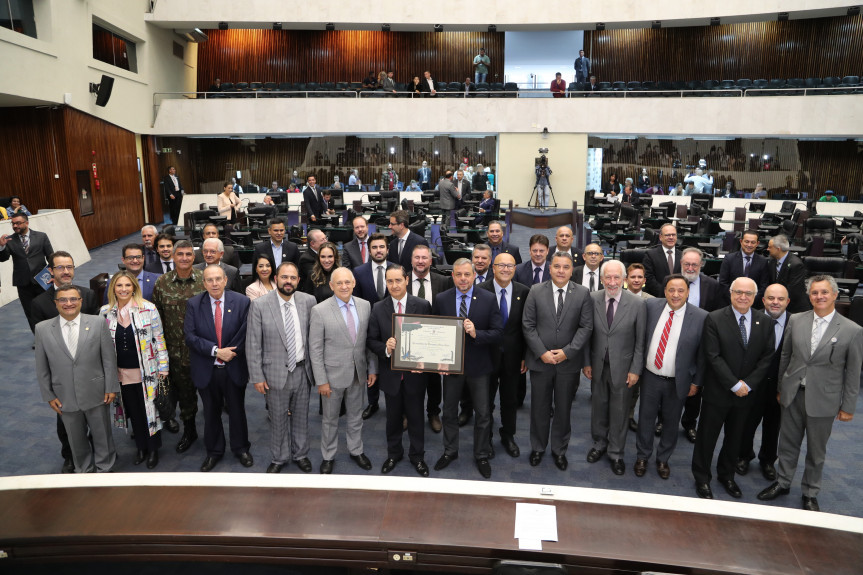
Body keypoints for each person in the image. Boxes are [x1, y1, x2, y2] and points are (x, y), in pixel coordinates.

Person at [757, 275, 863, 512]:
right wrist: (781, 389)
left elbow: (853, 372)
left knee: (816, 451)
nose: (819, 297)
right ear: (809, 296)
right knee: (787, 444)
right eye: (814, 293)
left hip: (825, 399)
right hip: (793, 394)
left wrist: (848, 406)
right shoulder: (796, 320)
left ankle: (810, 492)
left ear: (835, 295)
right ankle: (782, 482)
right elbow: (785, 356)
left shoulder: (852, 330)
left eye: (824, 292)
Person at [692, 277, 775, 500]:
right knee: (707, 437)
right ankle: (702, 477)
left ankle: (726, 476)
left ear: (755, 296)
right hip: (718, 391)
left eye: (748, 293)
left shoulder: (764, 322)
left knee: (735, 438)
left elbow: (767, 358)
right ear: (730, 293)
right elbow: (713, 356)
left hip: (747, 394)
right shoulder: (715, 318)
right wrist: (734, 383)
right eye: (738, 292)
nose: (743, 297)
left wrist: (748, 384)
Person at [432, 258, 503, 479]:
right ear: (452, 276)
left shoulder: (489, 299)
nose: (463, 279)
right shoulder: (441, 299)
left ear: (474, 276)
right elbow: (434, 331)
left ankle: (481, 454)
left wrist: (476, 333)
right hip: (450, 367)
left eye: (467, 274)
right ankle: (450, 450)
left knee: (482, 413)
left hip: (479, 367)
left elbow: (497, 333)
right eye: (458, 274)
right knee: (450, 411)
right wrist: (438, 361)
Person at [35, 284, 118, 473]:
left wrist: (111, 386)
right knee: (75, 439)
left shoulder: (97, 323)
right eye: (62, 300)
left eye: (73, 299)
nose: (68, 303)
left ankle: (106, 469)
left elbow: (108, 359)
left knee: (102, 436)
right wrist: (48, 395)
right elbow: (42, 366)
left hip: (97, 392)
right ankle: (84, 471)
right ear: (55, 303)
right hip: (64, 396)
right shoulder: (43, 329)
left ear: (81, 301)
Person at [522, 251, 593, 471]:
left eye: (566, 267)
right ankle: (538, 447)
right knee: (539, 408)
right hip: (540, 362)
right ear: (550, 268)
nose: (561, 271)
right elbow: (528, 325)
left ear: (572, 270)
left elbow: (586, 327)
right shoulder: (535, 291)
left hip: (568, 363)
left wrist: (568, 352)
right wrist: (542, 352)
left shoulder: (582, 293)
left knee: (563, 409)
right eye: (557, 267)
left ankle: (559, 450)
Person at [634, 275, 708, 480]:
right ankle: (642, 456)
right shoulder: (650, 306)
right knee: (646, 419)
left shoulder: (701, 317)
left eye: (681, 291)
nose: (675, 295)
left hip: (678, 380)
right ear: (664, 291)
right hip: (650, 376)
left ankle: (663, 459)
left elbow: (702, 355)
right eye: (671, 290)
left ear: (688, 292)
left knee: (671, 421)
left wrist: (697, 382)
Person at [246, 262, 316, 474]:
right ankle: (279, 457)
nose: (288, 281)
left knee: (302, 417)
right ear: (276, 279)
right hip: (274, 373)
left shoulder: (309, 301)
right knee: (277, 418)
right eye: (284, 277)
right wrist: (257, 376)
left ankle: (301, 454)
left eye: (293, 278)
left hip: (303, 371)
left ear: (298, 281)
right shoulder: (260, 305)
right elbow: (253, 343)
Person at [184, 265, 252, 472]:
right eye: (209, 280)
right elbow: (190, 337)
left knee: (237, 410)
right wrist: (216, 351)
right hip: (207, 368)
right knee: (211, 412)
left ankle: (241, 448)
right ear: (203, 283)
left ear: (225, 280)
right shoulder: (194, 304)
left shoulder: (242, 302)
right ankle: (214, 451)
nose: (214, 283)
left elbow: (246, 331)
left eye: (218, 279)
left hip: (234, 366)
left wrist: (231, 352)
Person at [309, 267, 377, 474]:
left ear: (354, 283)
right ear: (331, 286)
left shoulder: (365, 306)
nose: (344, 286)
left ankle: (356, 450)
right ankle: (328, 455)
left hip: (359, 373)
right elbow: (315, 348)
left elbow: (368, 342)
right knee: (330, 419)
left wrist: (372, 369)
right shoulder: (319, 310)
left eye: (348, 282)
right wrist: (321, 380)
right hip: (331, 376)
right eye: (339, 283)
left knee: (356, 416)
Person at [367, 265, 433, 476]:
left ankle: (418, 456)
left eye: (398, 280)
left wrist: (424, 362)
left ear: (406, 280)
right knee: (393, 418)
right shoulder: (378, 308)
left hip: (416, 375)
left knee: (416, 417)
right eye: (389, 281)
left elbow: (430, 336)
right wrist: (385, 348)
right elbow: (371, 340)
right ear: (386, 283)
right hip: (391, 374)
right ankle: (393, 454)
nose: (394, 285)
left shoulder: (422, 305)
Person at [583, 260, 646, 475]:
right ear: (601, 279)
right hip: (598, 366)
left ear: (624, 280)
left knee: (619, 413)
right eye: (607, 278)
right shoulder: (591, 300)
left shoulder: (637, 304)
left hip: (624, 369)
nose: (612, 282)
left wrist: (636, 369)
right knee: (598, 408)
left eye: (616, 277)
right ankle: (599, 443)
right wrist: (587, 362)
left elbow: (640, 341)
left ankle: (616, 453)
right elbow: (586, 334)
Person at [100, 271, 167, 469]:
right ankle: (141, 447)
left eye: (127, 285)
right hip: (121, 373)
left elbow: (159, 338)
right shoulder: (105, 312)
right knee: (134, 412)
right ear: (113, 288)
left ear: (134, 288)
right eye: (119, 286)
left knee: (150, 411)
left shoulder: (148, 308)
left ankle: (153, 449)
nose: (123, 289)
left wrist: (164, 367)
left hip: (147, 372)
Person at [151, 240, 205, 453]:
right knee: (185, 397)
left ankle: (213, 432)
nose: (184, 258)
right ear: (173, 257)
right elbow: (157, 319)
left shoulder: (204, 280)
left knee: (210, 395)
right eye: (180, 254)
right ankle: (189, 431)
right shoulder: (162, 282)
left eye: (188, 254)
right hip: (175, 353)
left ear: (194, 257)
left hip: (203, 351)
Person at [475, 253, 529, 458]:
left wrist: (525, 355)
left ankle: (508, 435)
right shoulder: (480, 290)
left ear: (515, 268)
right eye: (501, 265)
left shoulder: (524, 292)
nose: (506, 269)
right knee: (485, 401)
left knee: (510, 399)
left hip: (513, 359)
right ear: (493, 267)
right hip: (486, 356)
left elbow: (526, 328)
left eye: (510, 266)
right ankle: (485, 438)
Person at [737, 284, 789, 481]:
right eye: (771, 298)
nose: (775, 302)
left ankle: (767, 460)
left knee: (773, 425)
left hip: (779, 386)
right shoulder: (751, 318)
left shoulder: (796, 322)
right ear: (763, 300)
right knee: (747, 422)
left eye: (780, 299)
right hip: (753, 384)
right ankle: (743, 456)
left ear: (787, 302)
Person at [406, 244, 453, 432]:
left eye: (424, 258)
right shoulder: (403, 280)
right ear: (411, 260)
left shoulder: (443, 281)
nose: (420, 261)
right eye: (417, 257)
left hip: (435, 343)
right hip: (410, 340)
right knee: (411, 383)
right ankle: (408, 414)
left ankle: (433, 412)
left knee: (434, 382)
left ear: (430, 261)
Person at [0, 212, 54, 333]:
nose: (15, 226)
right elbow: (3, 258)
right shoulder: (9, 240)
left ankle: (54, 333)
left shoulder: (41, 236)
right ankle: (39, 337)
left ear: (27, 223)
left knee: (48, 308)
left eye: (18, 223)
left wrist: (53, 274)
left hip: (43, 281)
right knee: (30, 312)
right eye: (13, 223)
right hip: (23, 283)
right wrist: (2, 247)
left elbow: (51, 257)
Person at [719, 230, 770, 305]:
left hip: (753, 305)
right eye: (746, 241)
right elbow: (723, 283)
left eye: (753, 242)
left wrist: (750, 301)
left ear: (757, 244)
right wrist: (735, 300)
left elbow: (763, 286)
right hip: (731, 303)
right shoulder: (729, 259)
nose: (749, 245)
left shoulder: (763, 262)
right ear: (741, 241)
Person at [767, 234, 809, 313]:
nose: (767, 249)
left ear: (778, 249)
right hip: (777, 305)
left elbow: (793, 292)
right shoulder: (772, 261)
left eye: (770, 247)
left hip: (793, 308)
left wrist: (777, 301)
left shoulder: (796, 264)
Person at [352, 233, 393, 307]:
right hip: (368, 317)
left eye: (382, 247)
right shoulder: (359, 272)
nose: (378, 250)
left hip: (391, 316)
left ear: (387, 250)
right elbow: (356, 300)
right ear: (369, 251)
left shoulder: (397, 270)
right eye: (374, 247)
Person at [643, 224, 681, 297]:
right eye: (667, 235)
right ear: (660, 237)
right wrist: (665, 293)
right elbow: (649, 278)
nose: (671, 237)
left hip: (678, 297)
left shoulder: (683, 256)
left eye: (673, 235)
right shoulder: (650, 255)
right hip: (657, 297)